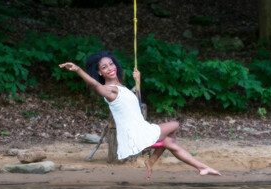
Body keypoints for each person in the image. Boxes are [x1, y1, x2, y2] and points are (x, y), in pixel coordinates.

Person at [59, 51, 221, 179]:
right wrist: (78, 70)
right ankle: (154, 161)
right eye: (104, 67)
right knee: (174, 125)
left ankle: (201, 167)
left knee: (170, 142)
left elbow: (137, 104)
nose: (110, 68)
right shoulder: (109, 90)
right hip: (134, 134)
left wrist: (138, 82)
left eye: (111, 64)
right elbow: (94, 84)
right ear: (99, 72)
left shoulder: (120, 86)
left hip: (141, 128)